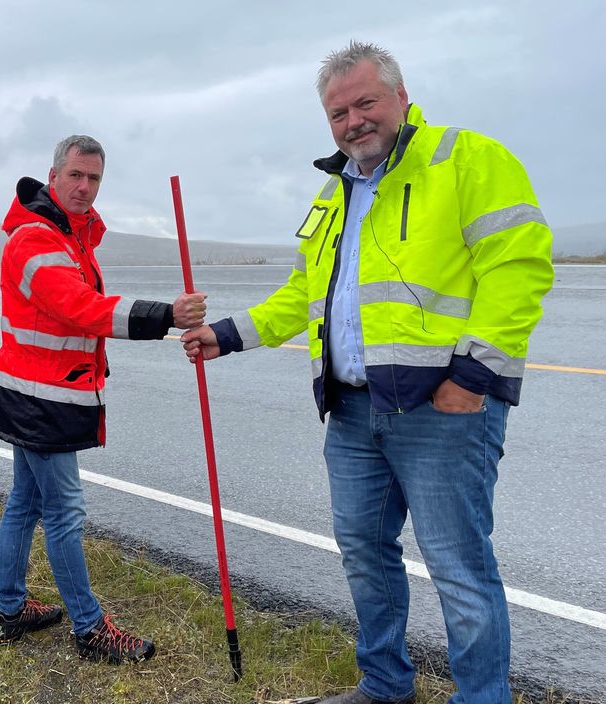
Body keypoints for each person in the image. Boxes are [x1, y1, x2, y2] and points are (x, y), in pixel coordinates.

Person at [180, 42, 553, 703]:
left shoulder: (467, 159)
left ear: (402, 97)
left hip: (443, 410)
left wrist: (473, 376)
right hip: (353, 415)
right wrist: (227, 335)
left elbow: (517, 270)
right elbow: (304, 295)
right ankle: (384, 685)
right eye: (337, 112)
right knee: (364, 554)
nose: (352, 121)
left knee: (459, 569)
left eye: (365, 103)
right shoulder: (335, 194)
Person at [0, 134, 206, 664]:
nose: (85, 188)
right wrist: (166, 317)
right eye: (76, 176)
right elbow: (81, 309)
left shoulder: (69, 236)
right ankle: (89, 629)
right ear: (53, 175)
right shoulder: (35, 241)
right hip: (42, 400)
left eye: (95, 179)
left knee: (26, 502)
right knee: (63, 510)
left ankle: (11, 610)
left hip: (35, 392)